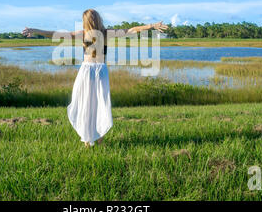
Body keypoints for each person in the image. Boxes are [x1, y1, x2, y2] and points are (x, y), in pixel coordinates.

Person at [23, 9, 168, 147]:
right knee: (100, 105)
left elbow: (55, 34)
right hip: (99, 71)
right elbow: (131, 30)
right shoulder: (106, 34)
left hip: (87, 70)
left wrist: (35, 30)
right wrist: (152, 26)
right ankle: (98, 140)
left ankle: (88, 141)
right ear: (99, 19)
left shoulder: (83, 34)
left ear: (85, 21)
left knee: (86, 105)